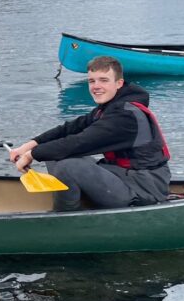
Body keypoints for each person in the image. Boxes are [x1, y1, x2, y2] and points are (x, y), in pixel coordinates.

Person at [9, 55, 170, 212]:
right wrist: (29, 146)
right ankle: (75, 202)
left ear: (119, 83)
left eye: (104, 80)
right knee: (54, 153)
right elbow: (70, 128)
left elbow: (81, 142)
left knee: (67, 165)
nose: (96, 86)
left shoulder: (125, 115)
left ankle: (65, 216)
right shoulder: (110, 107)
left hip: (143, 188)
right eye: (92, 81)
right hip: (122, 175)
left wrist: (32, 155)